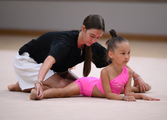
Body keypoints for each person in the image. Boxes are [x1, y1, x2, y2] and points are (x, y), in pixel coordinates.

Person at [8, 14, 149, 100]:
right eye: (92, 35)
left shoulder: (91, 44)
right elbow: (48, 60)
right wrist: (38, 81)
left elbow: (115, 58)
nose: (94, 40)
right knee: (64, 86)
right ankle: (23, 85)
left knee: (78, 86)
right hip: (28, 61)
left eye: (98, 37)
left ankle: (23, 83)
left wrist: (137, 77)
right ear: (83, 29)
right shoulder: (65, 41)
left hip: (54, 68)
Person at [29, 29, 159, 101]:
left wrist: (143, 96)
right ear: (111, 55)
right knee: (64, 92)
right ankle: (41, 94)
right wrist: (124, 97)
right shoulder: (106, 72)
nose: (126, 57)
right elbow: (109, 95)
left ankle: (143, 88)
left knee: (119, 87)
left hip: (104, 86)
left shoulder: (128, 72)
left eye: (129, 53)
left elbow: (128, 91)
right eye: (123, 53)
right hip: (85, 86)